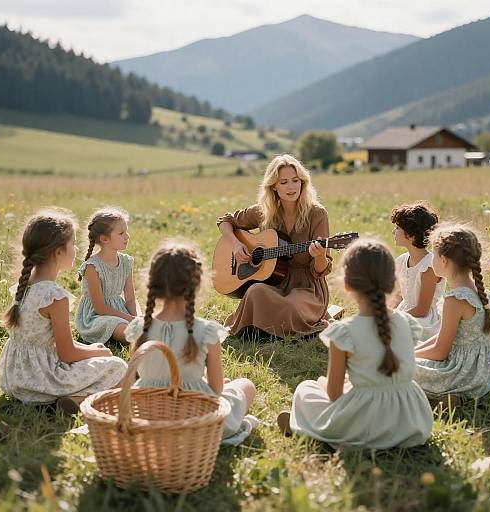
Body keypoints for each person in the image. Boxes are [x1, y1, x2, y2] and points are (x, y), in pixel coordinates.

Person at [278, 239, 433, 449]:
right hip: (412, 423)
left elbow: (334, 394)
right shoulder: (408, 323)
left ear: (347, 284)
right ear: (394, 282)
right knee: (350, 385)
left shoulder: (344, 333)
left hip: (366, 426)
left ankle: (307, 426)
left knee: (307, 389)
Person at [125, 238, 257, 445]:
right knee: (245, 385)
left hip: (149, 415)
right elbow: (216, 391)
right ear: (196, 282)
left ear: (153, 282)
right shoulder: (206, 331)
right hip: (195, 418)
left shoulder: (139, 328)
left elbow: (134, 376)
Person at [0, 209, 127, 414]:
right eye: (73, 243)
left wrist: (91, 348)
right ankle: (76, 401)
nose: (76, 249)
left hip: (13, 377)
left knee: (101, 358)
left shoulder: (23, 286)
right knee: (118, 366)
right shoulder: (54, 297)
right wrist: (97, 351)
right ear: (59, 251)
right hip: (42, 379)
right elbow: (67, 354)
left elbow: (52, 341)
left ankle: (69, 399)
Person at [217, 154, 333, 338]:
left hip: (306, 287)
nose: (292, 187)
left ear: (303, 182)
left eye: (296, 181)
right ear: (274, 186)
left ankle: (262, 328)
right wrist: (237, 245)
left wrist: (319, 256)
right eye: (284, 182)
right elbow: (225, 221)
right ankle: (268, 328)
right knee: (255, 291)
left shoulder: (317, 214)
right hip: (274, 283)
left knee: (292, 306)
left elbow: (321, 271)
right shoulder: (264, 211)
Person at [414, 223, 490, 400]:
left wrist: (406, 356)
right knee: (406, 356)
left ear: (443, 260)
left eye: (433, 255)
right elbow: (442, 337)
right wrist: (412, 351)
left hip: (460, 373)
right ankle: (455, 397)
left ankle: (451, 396)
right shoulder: (482, 292)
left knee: (394, 369)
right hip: (483, 372)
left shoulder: (456, 299)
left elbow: (440, 352)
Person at [75, 206, 138, 344]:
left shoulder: (126, 262)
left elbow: (130, 299)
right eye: (121, 233)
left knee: (142, 327)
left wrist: (135, 319)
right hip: (96, 317)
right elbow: (100, 308)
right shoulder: (92, 267)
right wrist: (130, 321)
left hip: (121, 312)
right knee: (128, 332)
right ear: (104, 239)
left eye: (126, 232)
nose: (127, 236)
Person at [391, 202, 445, 341]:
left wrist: (395, 318)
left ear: (411, 235)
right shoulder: (402, 261)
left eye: (397, 228)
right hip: (405, 312)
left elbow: (422, 309)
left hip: (423, 319)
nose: (393, 232)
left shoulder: (429, 266)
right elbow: (397, 297)